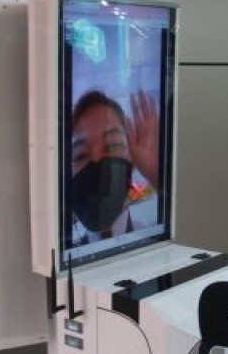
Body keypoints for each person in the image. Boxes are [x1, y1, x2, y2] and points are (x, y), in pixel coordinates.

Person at [68, 89, 162, 246]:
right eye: (81, 155)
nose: (97, 160)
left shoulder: (155, 233)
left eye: (112, 146)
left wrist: (157, 176)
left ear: (132, 161)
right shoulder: (62, 249)